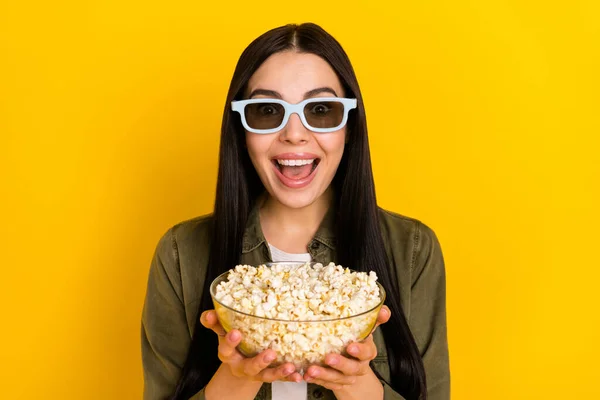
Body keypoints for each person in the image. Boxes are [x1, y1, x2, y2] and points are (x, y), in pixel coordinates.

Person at [141, 23, 450, 400]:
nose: (294, 133)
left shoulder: (413, 252)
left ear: (349, 127)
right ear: (241, 130)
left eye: (320, 110)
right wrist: (237, 377)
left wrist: (357, 384)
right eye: (267, 110)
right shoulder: (180, 256)